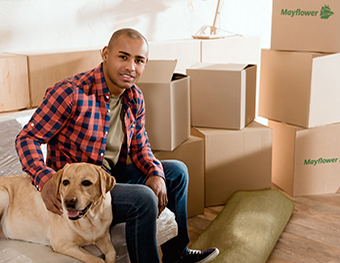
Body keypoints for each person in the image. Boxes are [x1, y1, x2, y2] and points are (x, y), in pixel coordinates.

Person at [15, 28, 219, 263]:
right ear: (105, 54)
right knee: (144, 198)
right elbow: (27, 138)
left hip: (111, 175)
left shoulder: (135, 98)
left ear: (145, 64)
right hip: (83, 187)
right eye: (123, 57)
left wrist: (155, 173)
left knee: (177, 172)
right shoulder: (70, 93)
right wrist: (44, 178)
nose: (131, 67)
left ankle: (177, 255)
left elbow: (140, 147)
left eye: (138, 60)